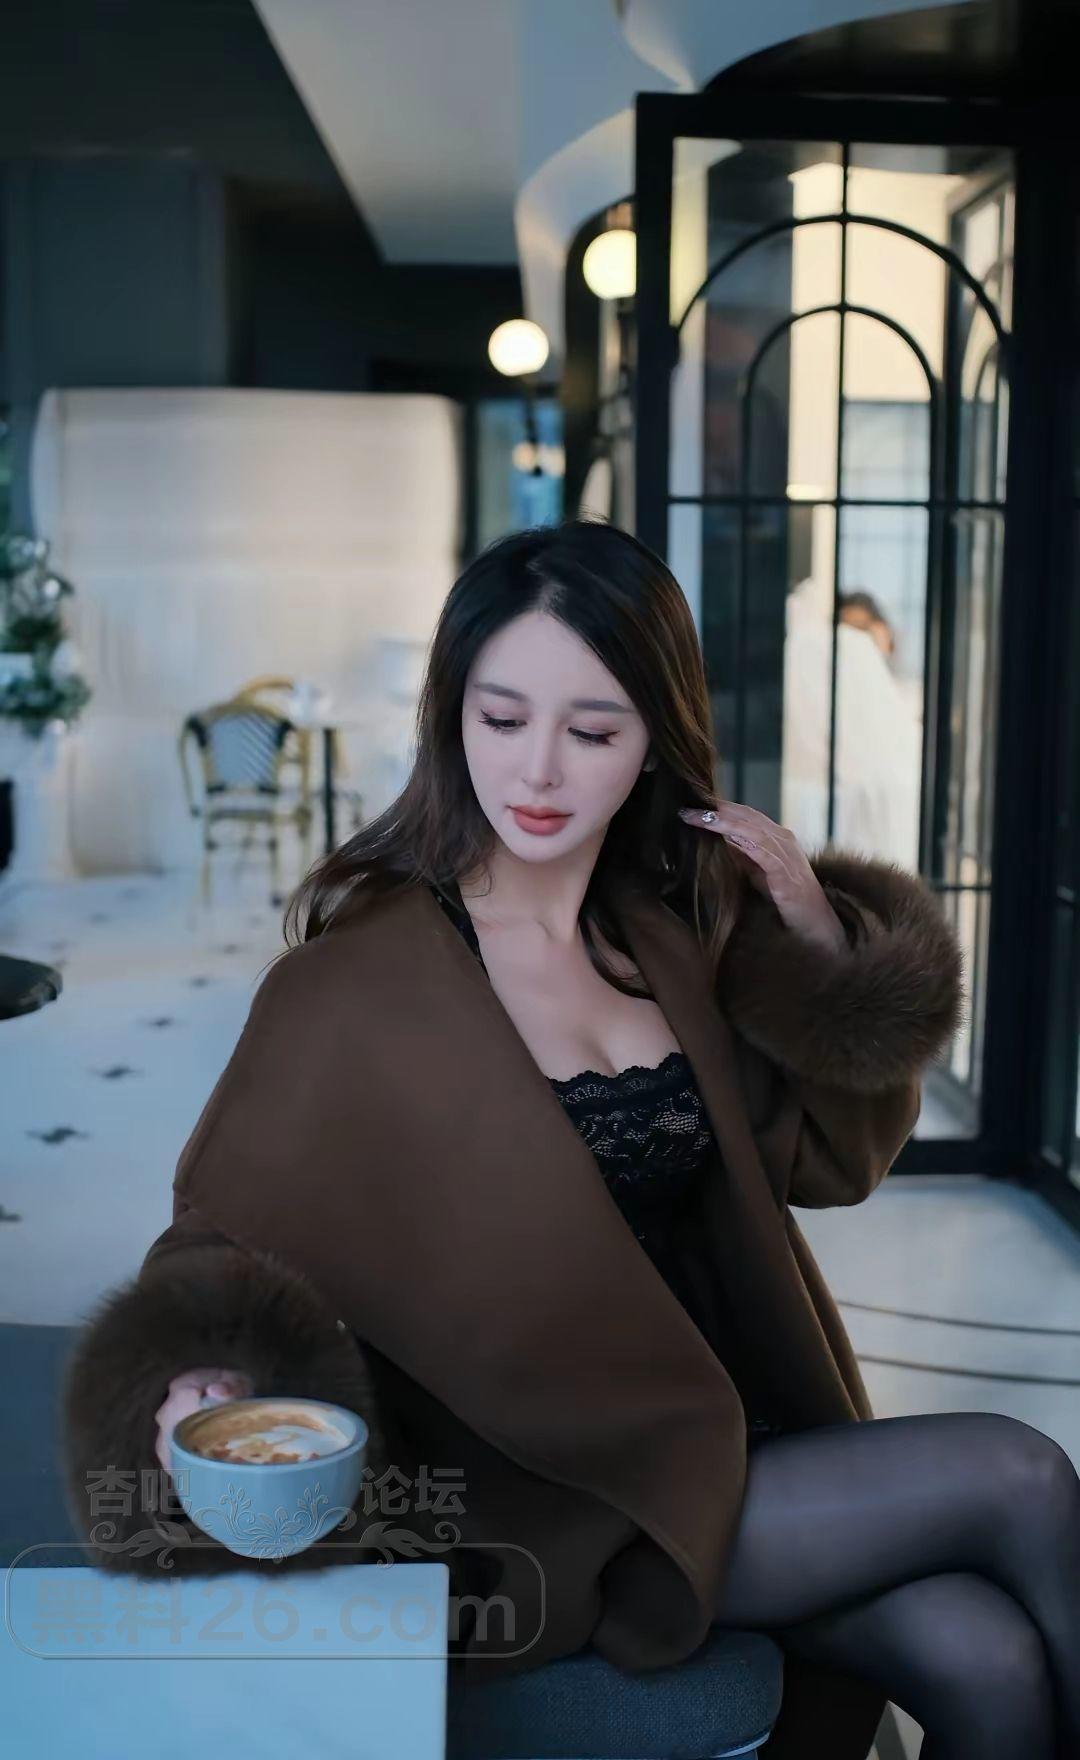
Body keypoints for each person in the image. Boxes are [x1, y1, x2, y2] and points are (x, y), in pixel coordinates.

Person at [62, 519, 1078, 1760]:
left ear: (654, 742)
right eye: (502, 718)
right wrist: (201, 1378)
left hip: (722, 1440)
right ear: (454, 719)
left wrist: (818, 944)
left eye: (593, 731)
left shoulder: (671, 938)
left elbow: (834, 1162)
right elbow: (217, 1244)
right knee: (1020, 1472)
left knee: (988, 1656)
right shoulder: (354, 985)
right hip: (542, 1496)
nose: (537, 769)